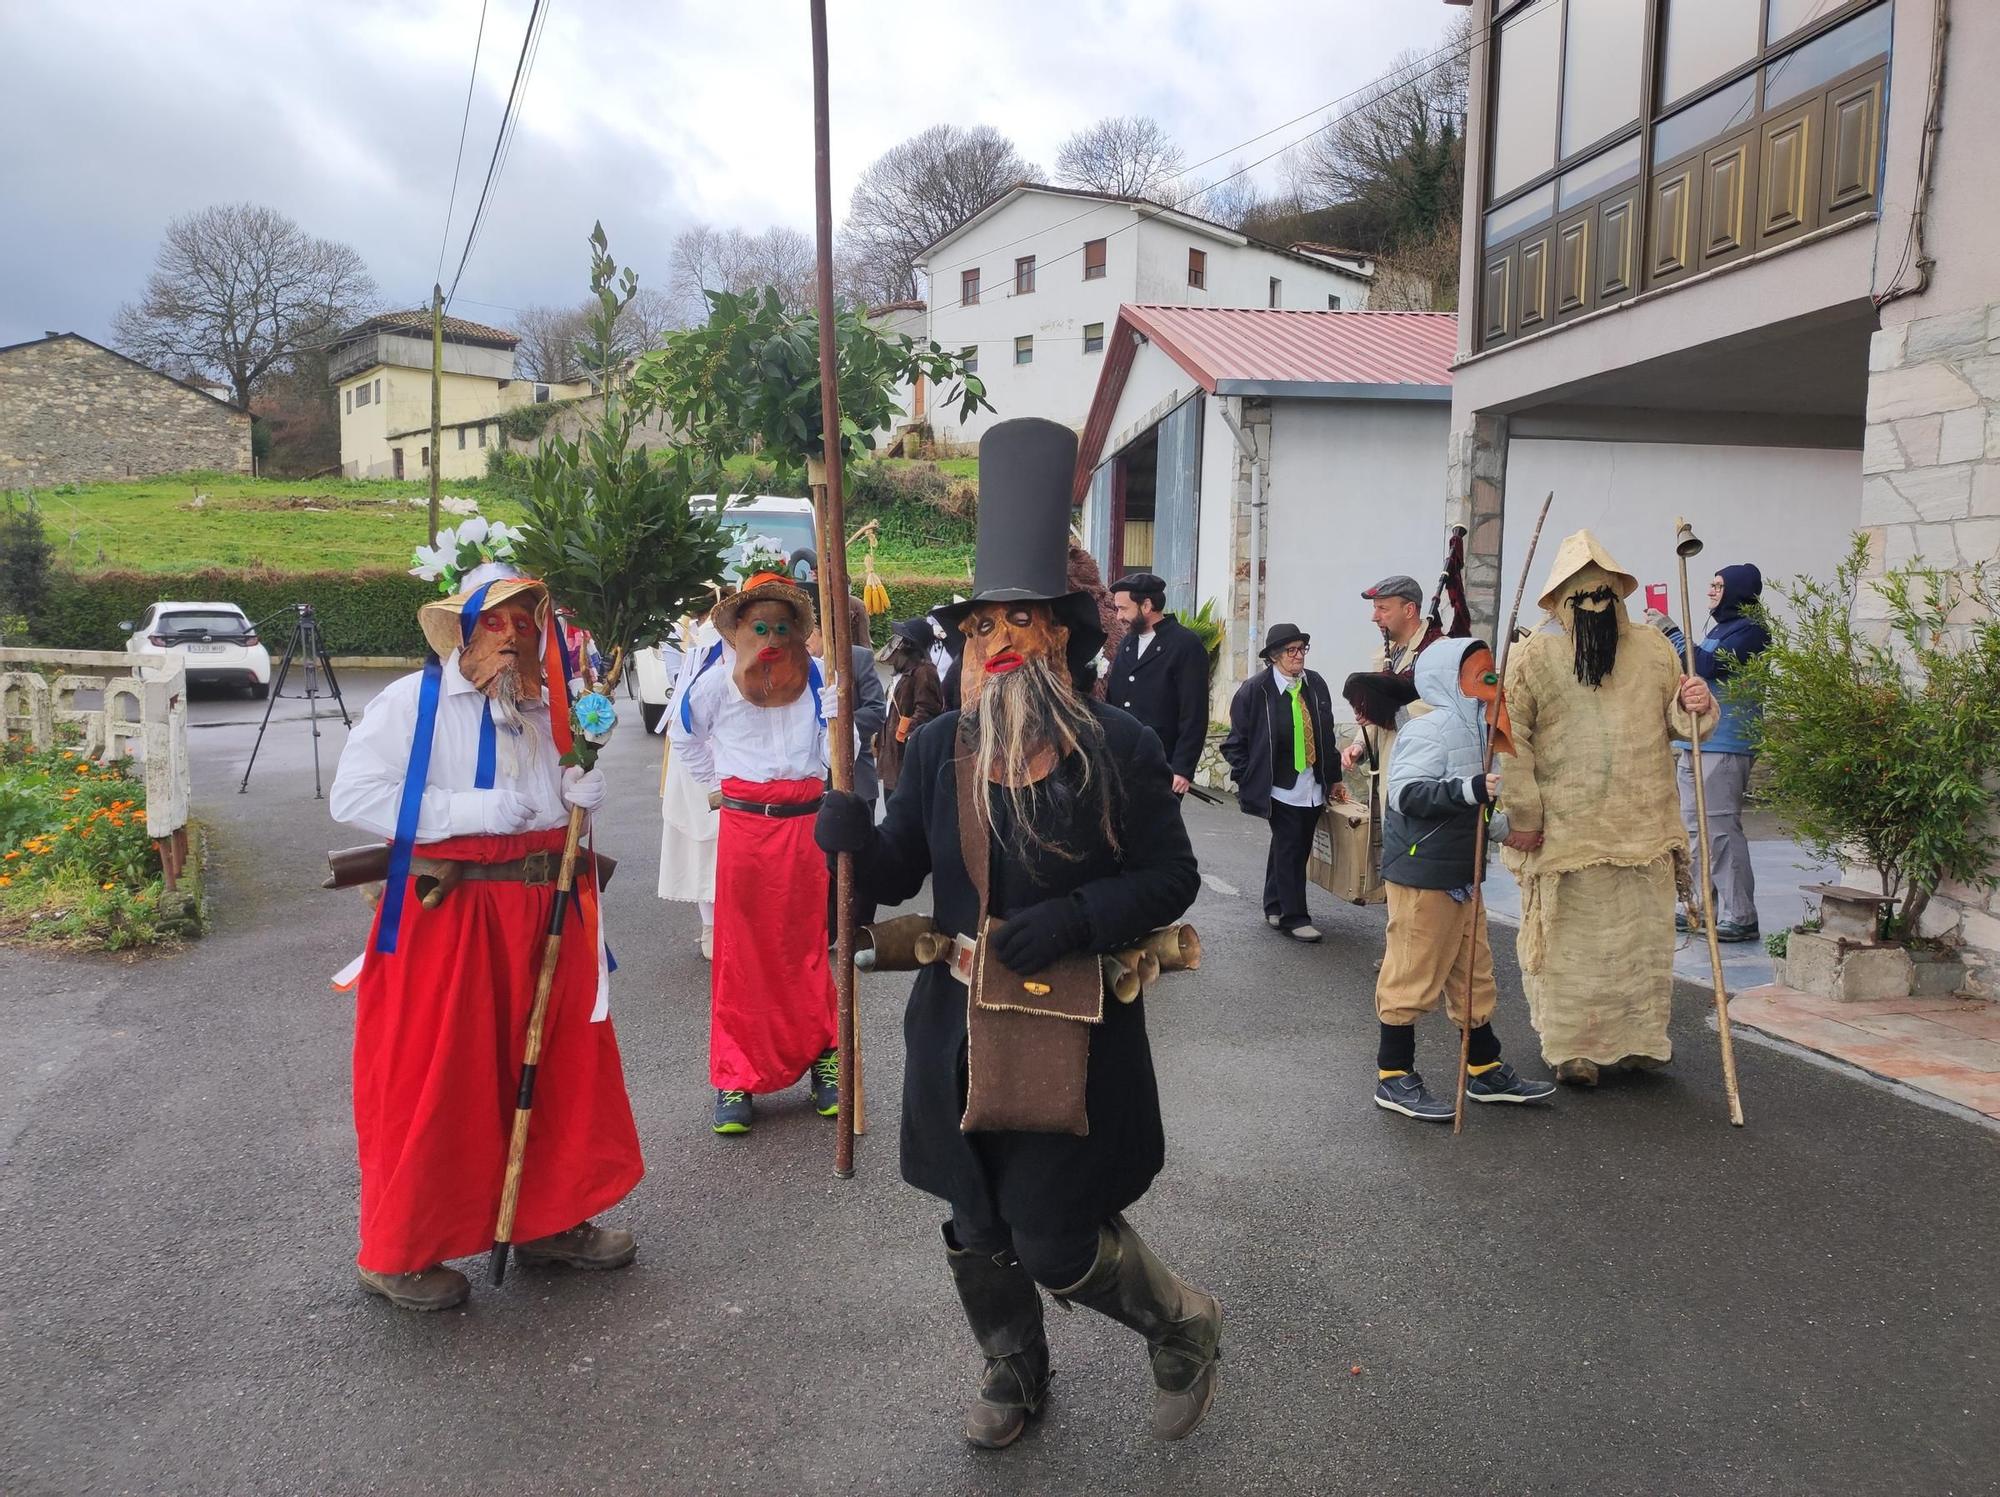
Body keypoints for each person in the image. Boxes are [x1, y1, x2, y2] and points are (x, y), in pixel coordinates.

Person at [814, 417, 1218, 1450]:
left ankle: (1179, 1323)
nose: (997, 642)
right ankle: (1012, 1365)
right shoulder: (942, 741)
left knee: (1049, 1234)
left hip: (1070, 1030)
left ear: (1061, 638)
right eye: (983, 623)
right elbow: (901, 868)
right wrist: (851, 839)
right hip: (952, 1025)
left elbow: (1172, 878)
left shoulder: (1117, 746)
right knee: (974, 1221)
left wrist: (1077, 916)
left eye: (1022, 622)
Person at [329, 556, 643, 1312]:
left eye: (525, 624)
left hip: (544, 914)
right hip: (451, 919)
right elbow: (355, 795)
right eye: (495, 622)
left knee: (557, 1067)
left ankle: (548, 1220)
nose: (512, 638)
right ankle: (397, 1251)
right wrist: (467, 812)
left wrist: (577, 797)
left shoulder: (550, 710)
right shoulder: (411, 703)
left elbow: (553, 809)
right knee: (435, 1078)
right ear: (462, 634)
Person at [1499, 532, 1716, 1088]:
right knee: (1572, 952)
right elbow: (1509, 741)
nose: (1595, 605)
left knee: (1641, 946)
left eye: (1605, 594)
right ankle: (1572, 1048)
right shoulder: (1533, 656)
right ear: (1559, 603)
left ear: (1620, 595)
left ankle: (1641, 1043)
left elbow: (1682, 724)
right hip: (1569, 836)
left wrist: (1696, 703)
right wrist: (1524, 816)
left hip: (1644, 827)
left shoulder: (1654, 649)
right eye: (1582, 596)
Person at [669, 570, 842, 1134]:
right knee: (741, 953)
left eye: (782, 627)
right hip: (746, 831)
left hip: (807, 831)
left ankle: (823, 1059)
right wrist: (720, 787)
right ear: (739, 631)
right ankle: (734, 1077)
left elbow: (840, 752)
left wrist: (841, 721)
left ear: (798, 632)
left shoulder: (818, 678)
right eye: (759, 627)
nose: (771, 639)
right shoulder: (715, 685)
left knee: (808, 947)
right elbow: (684, 737)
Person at [1372, 637, 1556, 1119]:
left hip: (1462, 871)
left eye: (1491, 672)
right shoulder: (1428, 729)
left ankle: (1483, 1068)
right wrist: (1469, 788)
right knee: (1412, 970)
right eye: (1479, 674)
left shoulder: (1482, 729)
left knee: (1472, 974)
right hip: (1423, 873)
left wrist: (1505, 831)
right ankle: (1393, 1077)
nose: (1491, 681)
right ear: (1448, 680)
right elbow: (1406, 795)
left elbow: (1476, 806)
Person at [1648, 564, 1771, 943]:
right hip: (1695, 739)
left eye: (1719, 586)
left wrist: (1671, 632)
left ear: (1738, 590)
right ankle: (1700, 907)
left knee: (1719, 829)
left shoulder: (1752, 632)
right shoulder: (1719, 629)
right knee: (1693, 832)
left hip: (1726, 742)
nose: (1711, 592)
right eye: (1711, 584)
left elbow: (1707, 665)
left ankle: (1741, 913)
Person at [1221, 623, 1344, 943]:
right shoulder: (1255, 690)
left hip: (1312, 785)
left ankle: (1274, 905)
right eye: (1291, 651)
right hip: (1279, 787)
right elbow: (1235, 743)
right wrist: (1250, 775)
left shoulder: (1314, 684)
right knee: (1291, 847)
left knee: (1291, 847)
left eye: (1302, 649)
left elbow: (1326, 734)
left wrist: (1333, 779)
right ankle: (1295, 916)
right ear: (1274, 656)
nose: (1298, 656)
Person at [657, 597, 728, 960]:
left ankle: (734, 925)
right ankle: (711, 925)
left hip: (736, 773)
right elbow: (685, 735)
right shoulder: (699, 673)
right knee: (701, 849)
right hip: (698, 774)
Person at [1106, 571, 1210, 796]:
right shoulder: (1127, 643)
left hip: (1162, 766)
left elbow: (1194, 713)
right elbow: (1114, 700)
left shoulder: (1185, 645)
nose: (1118, 617)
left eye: (1123, 609)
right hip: (1122, 764)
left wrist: (1182, 769)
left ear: (1146, 605)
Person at [1340, 573, 1440, 775]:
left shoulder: (1438, 651)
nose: (1374, 617)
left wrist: (1383, 711)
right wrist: (1360, 745)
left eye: (1383, 608)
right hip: (1387, 777)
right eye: (1375, 608)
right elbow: (1377, 717)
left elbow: (1437, 711)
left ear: (1409, 610)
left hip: (1419, 779)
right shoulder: (1387, 654)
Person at [877, 616, 944, 799]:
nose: (894, 643)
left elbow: (927, 710)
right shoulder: (902, 673)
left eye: (899, 639)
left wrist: (906, 735)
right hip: (892, 759)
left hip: (905, 759)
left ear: (908, 645)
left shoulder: (924, 671)